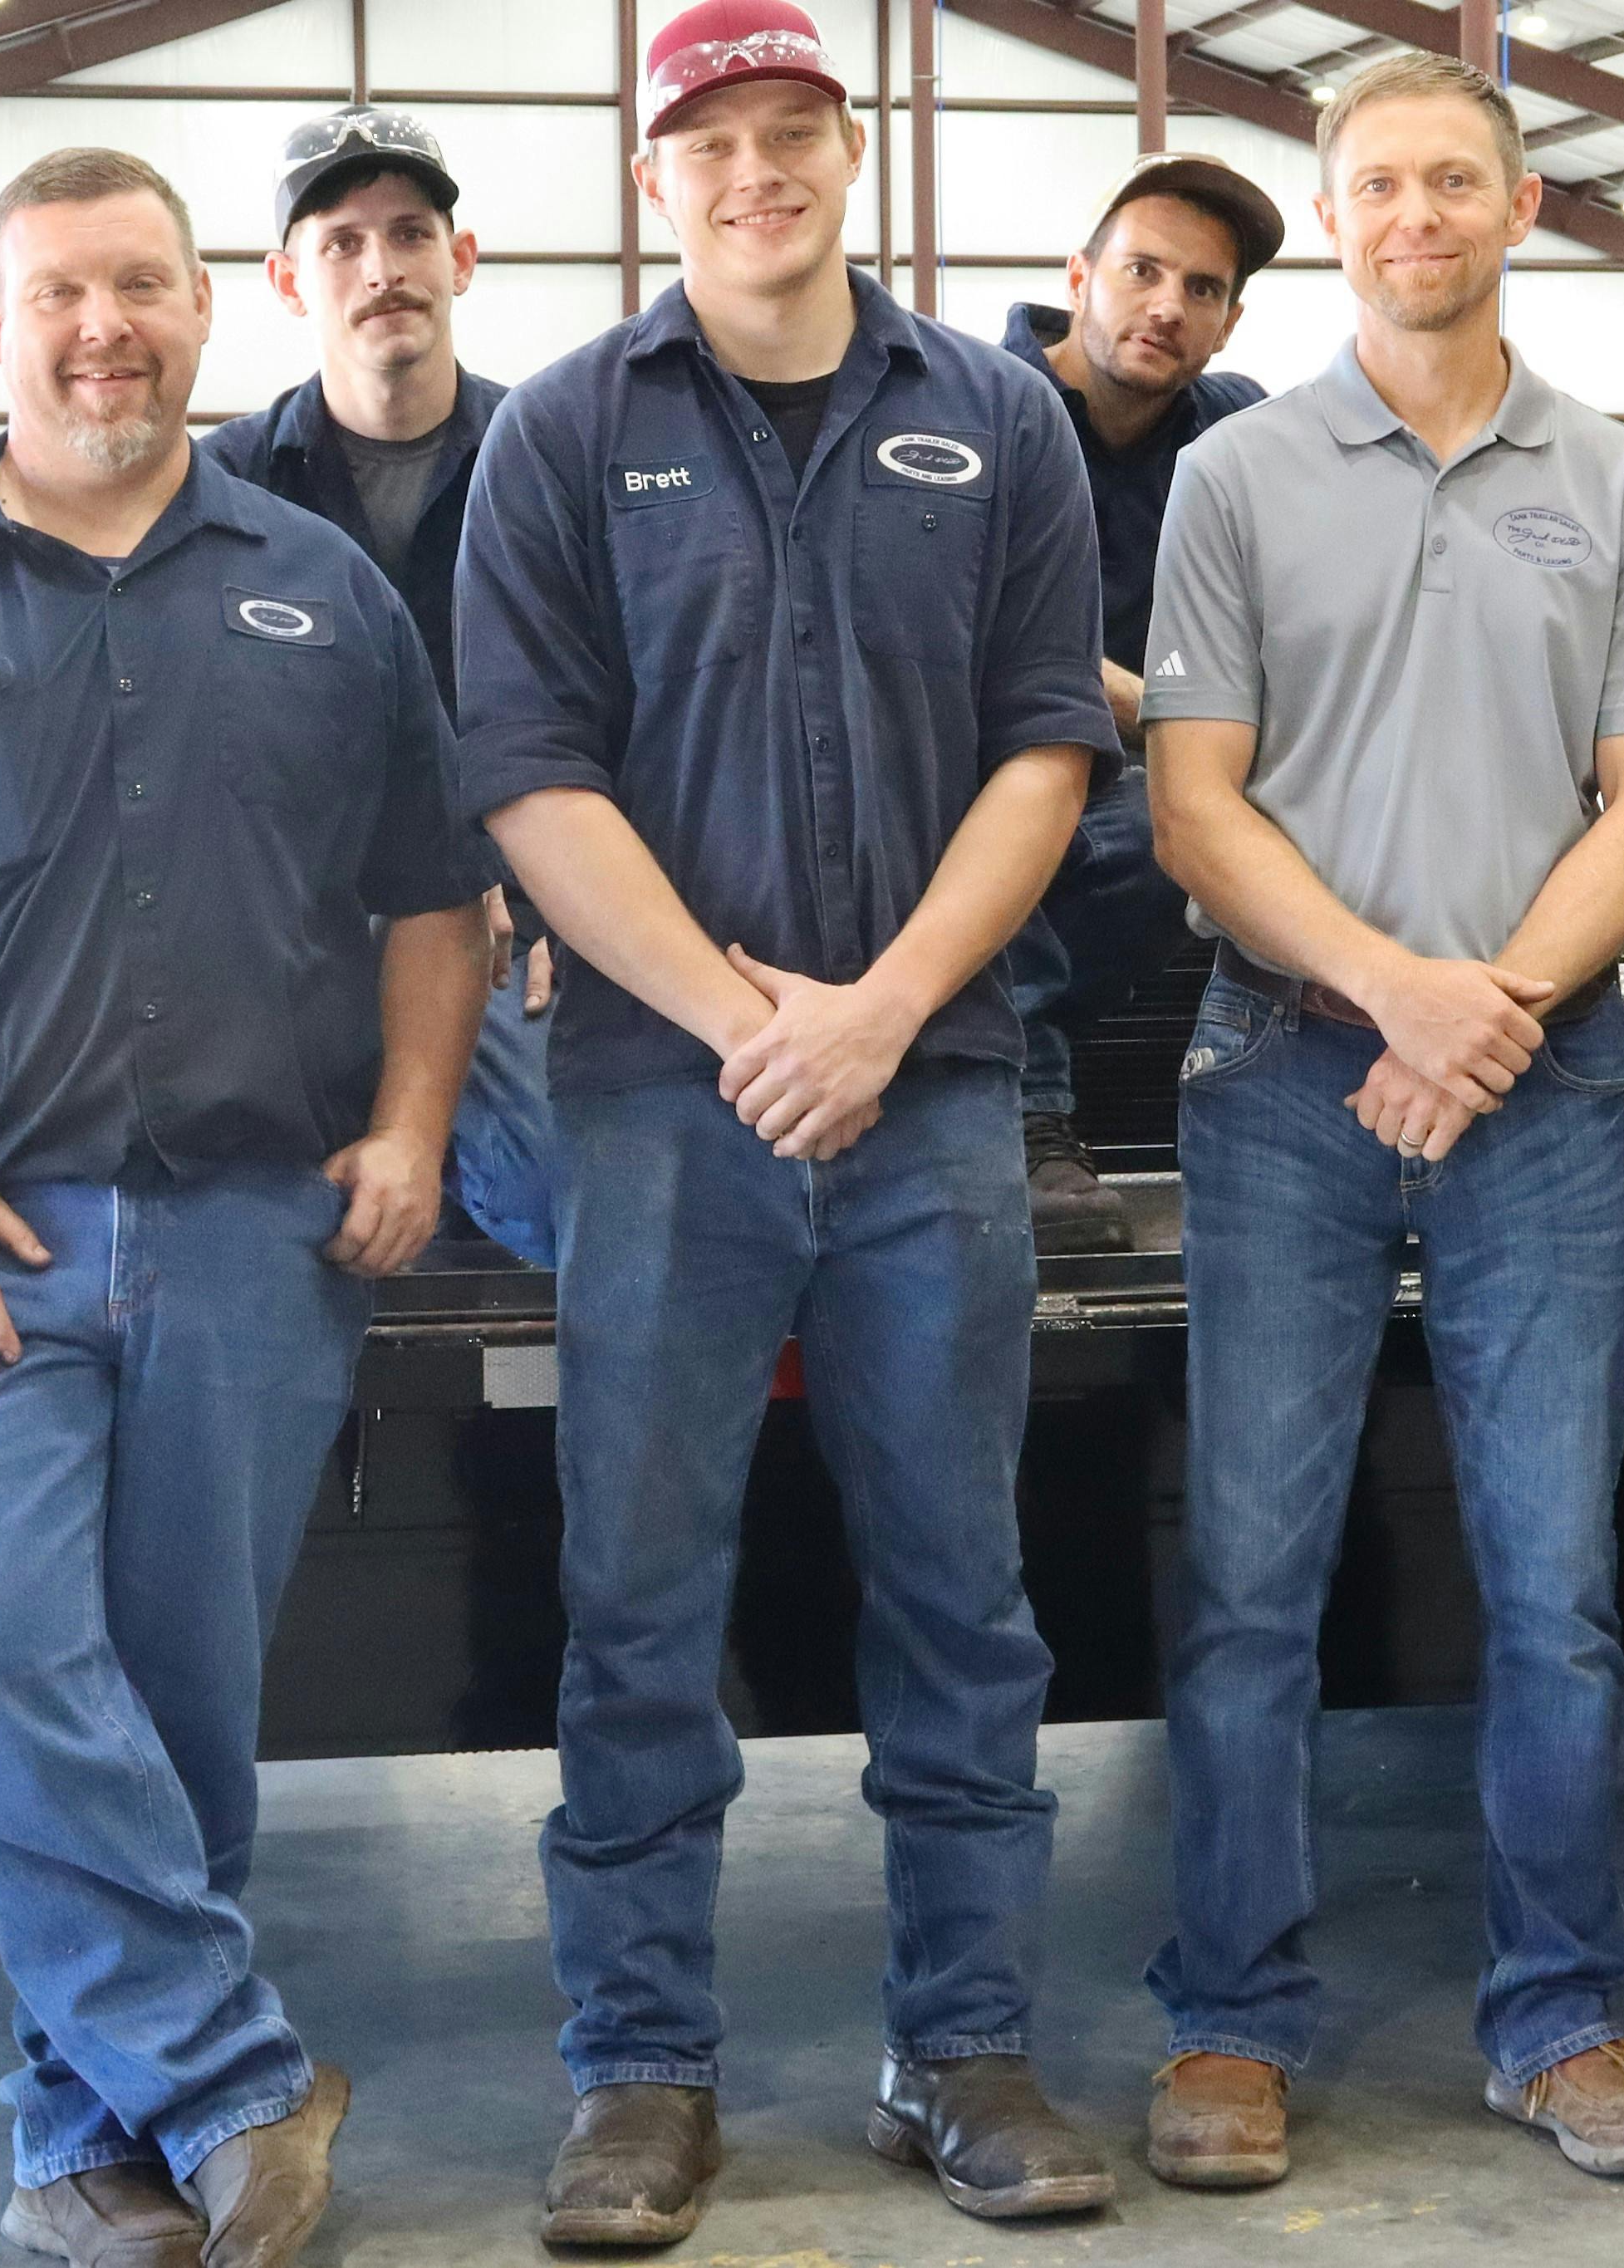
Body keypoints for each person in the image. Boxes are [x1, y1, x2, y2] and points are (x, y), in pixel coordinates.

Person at [0, 146, 489, 2268]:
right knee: (11, 1657)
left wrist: (417, 1126)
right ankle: (239, 2081)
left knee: (179, 1701)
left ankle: (84, 2130)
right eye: (57, 291)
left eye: (138, 285)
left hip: (255, 1234)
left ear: (202, 307)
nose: (101, 328)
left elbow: (440, 894)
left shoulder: (322, 592)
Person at [450, 1, 1121, 2245]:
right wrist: (753, 1021)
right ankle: (637, 2068)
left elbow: (1045, 746)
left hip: (926, 1101)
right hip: (656, 1099)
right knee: (639, 1601)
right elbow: (530, 778)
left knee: (960, 1595)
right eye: (710, 139)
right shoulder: (559, 435)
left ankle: (962, 2051)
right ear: (655, 181)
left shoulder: (993, 422)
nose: (754, 170)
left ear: (850, 151)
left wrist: (883, 1010)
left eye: (790, 129)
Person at [1134, 50, 1624, 2192]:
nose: (1416, 215)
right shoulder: (1241, 481)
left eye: (1453, 179)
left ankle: (1561, 2016)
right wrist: (1398, 995)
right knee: (1254, 1581)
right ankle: (1230, 2022)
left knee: (1555, 1582)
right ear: (1337, 212)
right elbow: (1196, 805)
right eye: (1377, 184)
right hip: (1288, 1069)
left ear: (1525, 202)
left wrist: (1498, 1013)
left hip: (1543, 1083)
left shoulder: (1623, 485)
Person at [201, 102, 561, 1267]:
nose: (380, 268)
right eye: (340, 244)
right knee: (259, 1221)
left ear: (459, 259)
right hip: (291, 927)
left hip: (508, 913)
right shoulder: (219, 493)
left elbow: (613, 713)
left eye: (409, 234)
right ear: (287, 280)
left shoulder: (551, 462)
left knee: (558, 1200)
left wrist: (553, 902)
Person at [994, 153, 1279, 1255]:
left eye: (1200, 289)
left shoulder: (1237, 434)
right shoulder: (977, 407)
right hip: (989, 751)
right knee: (1017, 810)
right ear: (1079, 274)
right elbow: (1009, 647)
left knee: (1189, 827)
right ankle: (1022, 1111)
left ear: (1228, 321)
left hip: (1146, 769)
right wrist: (1178, 719)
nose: (1166, 305)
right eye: (1142, 270)